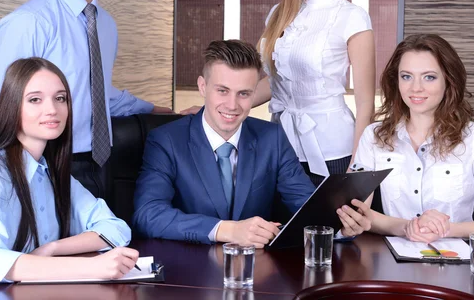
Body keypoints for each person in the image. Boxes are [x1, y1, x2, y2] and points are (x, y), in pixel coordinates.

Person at [0, 0, 171, 199]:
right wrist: (25, 175)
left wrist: (156, 110)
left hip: (100, 163)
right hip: (46, 162)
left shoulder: (105, 24)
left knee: (106, 242)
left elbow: (98, 93)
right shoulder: (29, 23)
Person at [181, 0, 375, 186]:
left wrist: (358, 167)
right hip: (282, 143)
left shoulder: (352, 17)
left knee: (328, 229)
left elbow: (366, 103)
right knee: (281, 226)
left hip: (333, 150)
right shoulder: (278, 13)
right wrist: (210, 110)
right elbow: (275, 84)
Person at [133, 40, 372, 247]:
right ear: (202, 87)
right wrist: (226, 230)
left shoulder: (273, 138)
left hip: (254, 273)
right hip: (188, 272)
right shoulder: (166, 140)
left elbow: (307, 206)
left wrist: (340, 227)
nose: (232, 105)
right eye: (223, 91)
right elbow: (148, 215)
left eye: (244, 94)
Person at [0, 58, 138, 300]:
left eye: (60, 98)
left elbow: (115, 228)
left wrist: (52, 249)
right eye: (35, 99)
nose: (52, 109)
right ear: (12, 107)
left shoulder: (49, 171)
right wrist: (92, 267)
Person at [353, 34, 474, 242]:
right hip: (391, 259)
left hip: (455, 261)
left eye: (429, 77)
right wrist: (407, 227)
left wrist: (443, 228)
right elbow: (357, 213)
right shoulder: (374, 136)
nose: (415, 88)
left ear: (449, 81)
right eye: (406, 76)